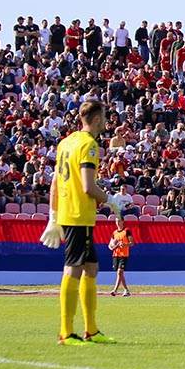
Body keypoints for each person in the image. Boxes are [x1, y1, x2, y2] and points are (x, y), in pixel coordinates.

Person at [40, 100, 121, 345]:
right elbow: (88, 187)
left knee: (91, 268)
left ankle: (92, 330)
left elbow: (55, 183)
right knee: (73, 268)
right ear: (97, 119)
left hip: (68, 212)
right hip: (78, 214)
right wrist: (111, 201)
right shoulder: (89, 145)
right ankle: (66, 332)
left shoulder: (66, 142)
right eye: (105, 117)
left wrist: (53, 216)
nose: (107, 121)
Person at [107, 224, 133, 297]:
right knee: (119, 273)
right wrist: (115, 245)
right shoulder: (114, 233)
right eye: (116, 221)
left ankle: (119, 290)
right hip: (116, 255)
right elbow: (110, 246)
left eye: (119, 221)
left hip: (124, 255)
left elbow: (132, 243)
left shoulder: (126, 231)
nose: (118, 222)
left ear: (122, 221)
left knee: (119, 271)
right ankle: (120, 290)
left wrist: (124, 244)